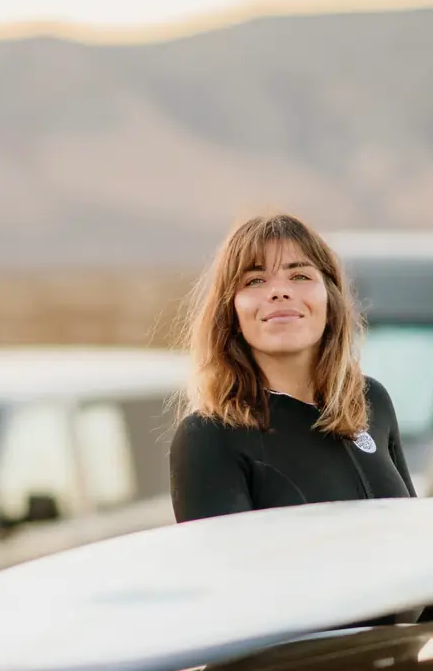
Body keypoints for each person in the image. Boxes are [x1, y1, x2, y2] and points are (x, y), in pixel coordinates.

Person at [169, 213, 416, 523]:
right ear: (230, 312)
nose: (279, 291)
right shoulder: (209, 437)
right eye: (255, 280)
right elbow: (225, 570)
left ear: (330, 298)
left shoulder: (370, 401)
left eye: (299, 275)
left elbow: (413, 534)